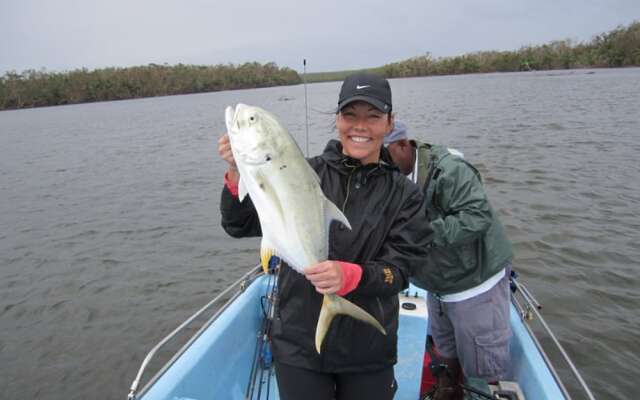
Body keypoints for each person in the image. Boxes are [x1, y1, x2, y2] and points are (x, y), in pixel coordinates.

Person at [217, 73, 433, 400]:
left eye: (373, 117)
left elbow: (400, 271)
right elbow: (239, 225)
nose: (360, 126)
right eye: (350, 116)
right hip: (299, 346)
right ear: (337, 120)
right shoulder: (303, 173)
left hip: (368, 350)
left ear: (390, 123)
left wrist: (353, 276)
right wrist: (237, 173)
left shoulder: (405, 195)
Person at [385, 123, 514, 400]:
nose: (382, 166)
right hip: (438, 288)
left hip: (475, 286)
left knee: (483, 371)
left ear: (403, 145)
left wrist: (425, 233)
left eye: (386, 157)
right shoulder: (389, 179)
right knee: (445, 355)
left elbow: (478, 216)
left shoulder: (449, 171)